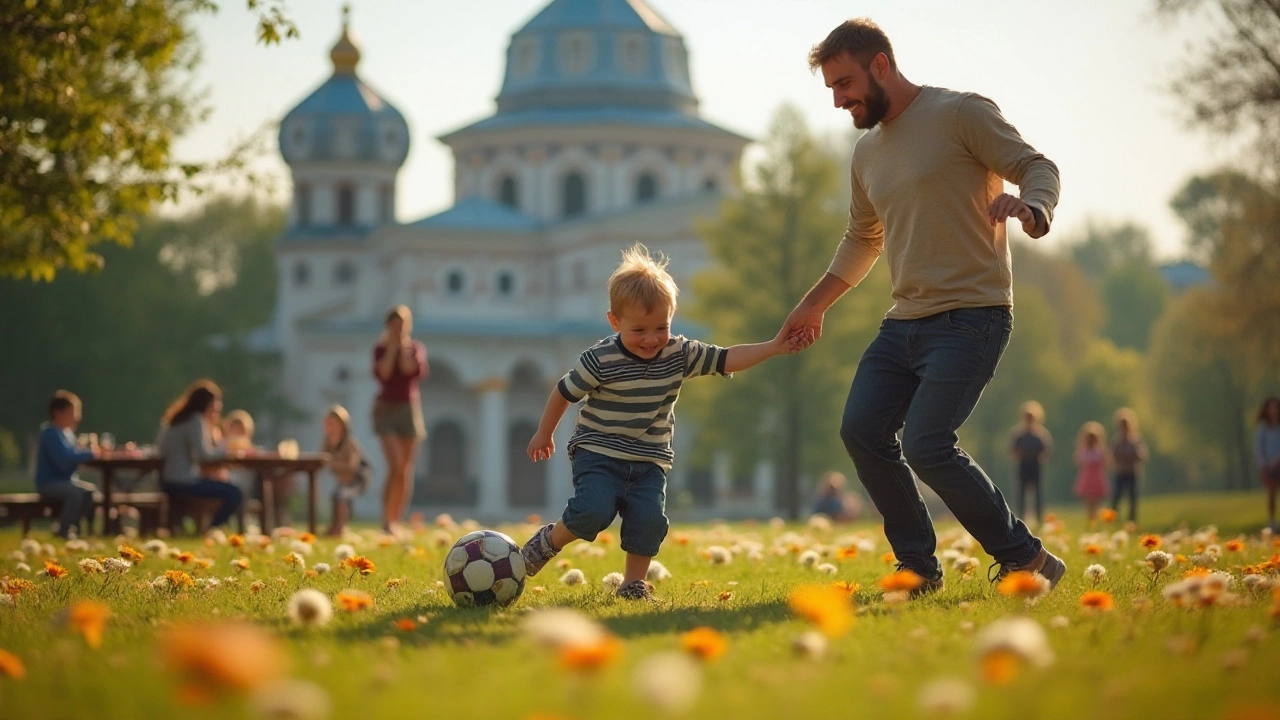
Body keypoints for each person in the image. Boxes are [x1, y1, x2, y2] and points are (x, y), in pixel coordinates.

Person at [781, 19, 1066, 594]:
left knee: (927, 445)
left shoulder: (961, 114)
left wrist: (1033, 209)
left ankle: (1025, 557)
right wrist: (813, 305)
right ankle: (918, 567)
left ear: (880, 65)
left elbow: (1038, 166)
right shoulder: (866, 153)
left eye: (844, 84)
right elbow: (864, 239)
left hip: (973, 315)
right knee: (861, 429)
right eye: (831, 89)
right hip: (904, 320)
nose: (838, 101)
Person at [520, 244, 793, 600]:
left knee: (648, 520)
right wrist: (545, 432)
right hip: (599, 451)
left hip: (649, 459)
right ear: (614, 322)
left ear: (671, 318)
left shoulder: (678, 353)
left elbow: (727, 359)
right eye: (639, 330)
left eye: (660, 327)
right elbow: (563, 392)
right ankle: (547, 542)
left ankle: (632, 585)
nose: (651, 339)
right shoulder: (600, 358)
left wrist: (773, 346)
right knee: (592, 511)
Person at [156, 380, 243, 529]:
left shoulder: (179, 420)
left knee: (226, 489)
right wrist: (226, 448)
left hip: (168, 480)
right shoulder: (195, 420)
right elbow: (205, 455)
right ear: (207, 403)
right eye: (216, 403)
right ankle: (212, 529)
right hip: (183, 482)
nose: (218, 408)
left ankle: (211, 528)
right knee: (234, 493)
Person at [372, 305, 428, 535]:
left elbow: (411, 370)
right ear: (388, 326)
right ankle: (386, 519)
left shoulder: (415, 349)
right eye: (395, 325)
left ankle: (396, 519)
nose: (399, 329)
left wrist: (403, 348)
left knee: (405, 469)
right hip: (386, 409)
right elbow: (383, 373)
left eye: (403, 325)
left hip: (408, 409)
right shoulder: (380, 349)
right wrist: (392, 349)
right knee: (394, 466)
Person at [34, 390, 100, 538]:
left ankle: (81, 529)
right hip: (49, 484)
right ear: (58, 413)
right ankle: (64, 529)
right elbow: (64, 459)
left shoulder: (66, 434)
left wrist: (82, 453)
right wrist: (90, 453)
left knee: (89, 491)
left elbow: (72, 456)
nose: (77, 418)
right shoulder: (50, 433)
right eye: (73, 412)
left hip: (65, 481)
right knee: (74, 494)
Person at [321, 405, 370, 537]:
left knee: (342, 496)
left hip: (358, 479)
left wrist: (333, 464)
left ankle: (340, 528)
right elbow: (322, 458)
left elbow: (352, 466)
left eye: (333, 423)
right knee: (335, 497)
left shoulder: (350, 443)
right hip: (342, 479)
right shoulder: (327, 441)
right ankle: (334, 526)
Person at [1009, 401, 1053, 524]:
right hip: (1023, 465)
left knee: (1038, 492)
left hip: (1035, 465)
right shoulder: (1018, 434)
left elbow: (1046, 450)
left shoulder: (1041, 434)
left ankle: (1039, 518)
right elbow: (1013, 451)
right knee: (1021, 493)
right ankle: (1020, 519)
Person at [1109, 408, 1148, 523]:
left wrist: (1131, 455)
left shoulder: (1136, 440)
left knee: (1133, 498)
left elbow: (1142, 455)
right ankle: (1112, 519)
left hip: (1132, 472)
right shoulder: (1116, 440)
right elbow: (1112, 456)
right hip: (1120, 471)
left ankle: (1132, 521)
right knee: (1116, 497)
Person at [1073, 422, 1108, 523]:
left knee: (1096, 501)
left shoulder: (1100, 450)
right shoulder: (1083, 450)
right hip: (1087, 477)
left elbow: (1106, 462)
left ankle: (1095, 519)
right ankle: (1090, 520)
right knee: (1088, 501)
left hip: (1097, 476)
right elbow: (1078, 461)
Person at [1255, 397, 1280, 533]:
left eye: (1276, 407)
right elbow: (1258, 448)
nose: (1273, 410)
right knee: (1271, 494)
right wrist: (1264, 464)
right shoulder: (1263, 427)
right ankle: (1271, 522)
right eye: (1271, 407)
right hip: (1269, 467)